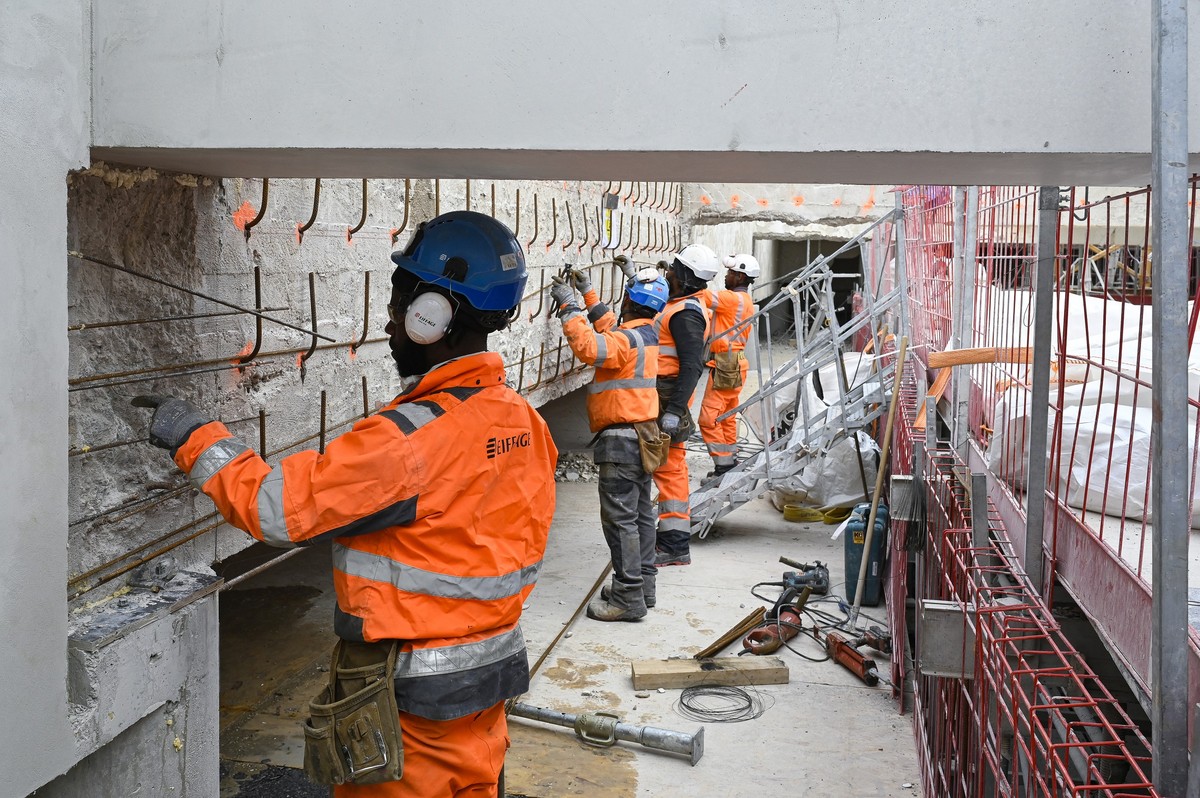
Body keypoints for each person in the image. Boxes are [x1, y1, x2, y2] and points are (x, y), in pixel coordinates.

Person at [132, 211, 557, 797]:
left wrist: (195, 437)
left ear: (432, 315)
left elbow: (275, 509)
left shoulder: (408, 440)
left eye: (398, 304)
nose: (389, 321)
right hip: (486, 683)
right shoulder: (525, 421)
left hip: (411, 709)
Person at [549, 265, 669, 621]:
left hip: (622, 441)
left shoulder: (624, 342)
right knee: (640, 516)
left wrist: (569, 306)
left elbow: (590, 346)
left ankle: (627, 597)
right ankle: (643, 587)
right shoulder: (646, 333)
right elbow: (611, 328)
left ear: (629, 301)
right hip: (644, 436)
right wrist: (588, 294)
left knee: (620, 522)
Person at [618, 245, 717, 567]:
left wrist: (674, 410)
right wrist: (634, 277)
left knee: (670, 468)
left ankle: (674, 544)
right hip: (663, 393)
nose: (669, 271)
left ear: (686, 276)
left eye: (675, 268)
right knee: (666, 466)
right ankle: (671, 539)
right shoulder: (678, 304)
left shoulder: (687, 314)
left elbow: (692, 365)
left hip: (669, 395)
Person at [699, 253, 760, 479]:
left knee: (707, 419)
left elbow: (701, 295)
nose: (726, 276)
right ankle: (730, 460)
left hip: (726, 362)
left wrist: (692, 273)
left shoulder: (732, 299)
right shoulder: (744, 301)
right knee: (726, 416)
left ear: (741, 277)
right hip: (736, 362)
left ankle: (723, 465)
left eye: (730, 273)